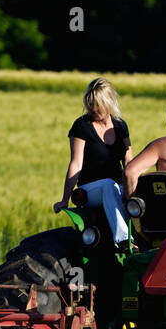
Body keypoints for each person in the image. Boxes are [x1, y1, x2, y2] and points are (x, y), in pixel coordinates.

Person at [56, 78, 132, 242]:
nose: (93, 108)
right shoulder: (82, 126)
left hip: (117, 186)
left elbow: (129, 161)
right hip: (90, 189)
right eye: (90, 103)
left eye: (97, 104)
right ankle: (124, 240)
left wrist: (134, 189)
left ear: (109, 102)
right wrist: (65, 199)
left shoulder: (120, 126)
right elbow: (76, 163)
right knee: (107, 185)